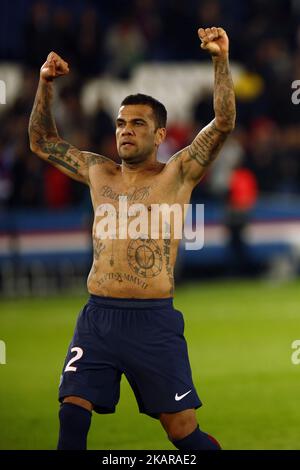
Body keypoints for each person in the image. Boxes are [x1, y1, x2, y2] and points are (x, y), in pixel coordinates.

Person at [28, 27, 235, 451]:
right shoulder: (97, 171)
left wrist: (219, 61)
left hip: (153, 322)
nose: (126, 130)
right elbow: (42, 141)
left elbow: (224, 122)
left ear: (160, 135)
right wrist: (44, 85)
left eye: (138, 124)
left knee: (183, 433)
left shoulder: (177, 174)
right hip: (97, 317)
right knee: (72, 412)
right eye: (121, 123)